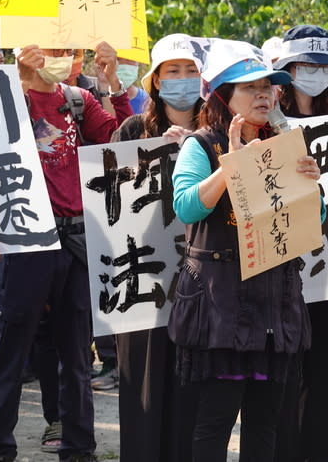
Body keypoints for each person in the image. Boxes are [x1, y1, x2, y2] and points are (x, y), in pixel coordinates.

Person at [0, 42, 132, 462]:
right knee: (10, 349)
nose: (61, 56)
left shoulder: (79, 101)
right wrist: (15, 77)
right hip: (26, 240)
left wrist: (112, 81)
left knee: (77, 354)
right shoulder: (4, 97)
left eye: (69, 49)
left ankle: (79, 448)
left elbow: (125, 139)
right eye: (51, 48)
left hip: (78, 242)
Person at [170, 38, 322, 461]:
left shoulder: (284, 140)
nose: (263, 95)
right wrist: (230, 168)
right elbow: (185, 205)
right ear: (222, 96)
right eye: (249, 87)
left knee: (267, 422)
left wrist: (311, 185)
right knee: (214, 420)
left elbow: (315, 221)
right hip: (221, 303)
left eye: (268, 86)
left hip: (274, 300)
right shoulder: (200, 144)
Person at [111, 33, 203, 462]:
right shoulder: (132, 130)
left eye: (191, 71)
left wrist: (194, 148)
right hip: (143, 275)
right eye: (173, 71)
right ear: (156, 81)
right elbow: (111, 192)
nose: (182, 80)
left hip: (202, 278)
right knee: (144, 381)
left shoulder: (217, 132)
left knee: (193, 384)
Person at [269, 25, 328, 462]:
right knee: (284, 372)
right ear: (286, 70)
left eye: (323, 67)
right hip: (281, 267)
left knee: (324, 372)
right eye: (305, 66)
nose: (315, 74)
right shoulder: (267, 123)